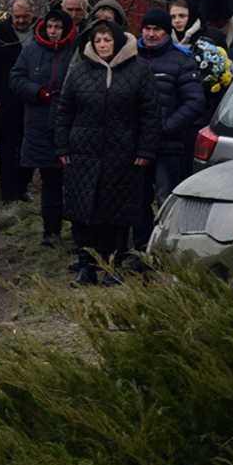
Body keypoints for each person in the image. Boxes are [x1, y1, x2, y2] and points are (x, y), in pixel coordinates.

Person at [55, 20, 159, 285]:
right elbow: (64, 110)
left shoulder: (139, 71)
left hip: (123, 153)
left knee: (118, 213)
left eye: (107, 40)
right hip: (83, 153)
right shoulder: (79, 71)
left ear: (117, 41)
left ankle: (114, 266)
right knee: (82, 213)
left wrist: (145, 149)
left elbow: (150, 114)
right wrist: (62, 146)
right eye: (98, 40)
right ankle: (86, 267)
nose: (102, 45)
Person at [135, 8, 205, 249]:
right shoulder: (131, 59)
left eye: (157, 30)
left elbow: (195, 101)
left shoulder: (181, 61)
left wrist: (167, 127)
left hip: (168, 145)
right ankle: (140, 248)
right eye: (147, 29)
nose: (151, 34)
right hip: (134, 145)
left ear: (167, 32)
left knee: (166, 200)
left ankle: (167, 249)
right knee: (137, 199)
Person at [9, 7, 77, 246]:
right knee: (50, 181)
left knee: (74, 181)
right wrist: (37, 91)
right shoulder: (32, 50)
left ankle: (79, 230)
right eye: (50, 27)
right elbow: (16, 78)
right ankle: (51, 232)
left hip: (71, 125)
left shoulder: (76, 51)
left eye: (58, 27)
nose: (53, 32)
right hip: (39, 122)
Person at [0, 0, 36, 203]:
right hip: (5, 100)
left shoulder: (38, 32)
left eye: (25, 17)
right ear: (10, 15)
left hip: (31, 98)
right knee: (7, 148)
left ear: (31, 14)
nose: (21, 21)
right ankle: (8, 193)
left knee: (28, 146)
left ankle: (23, 186)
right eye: (17, 17)